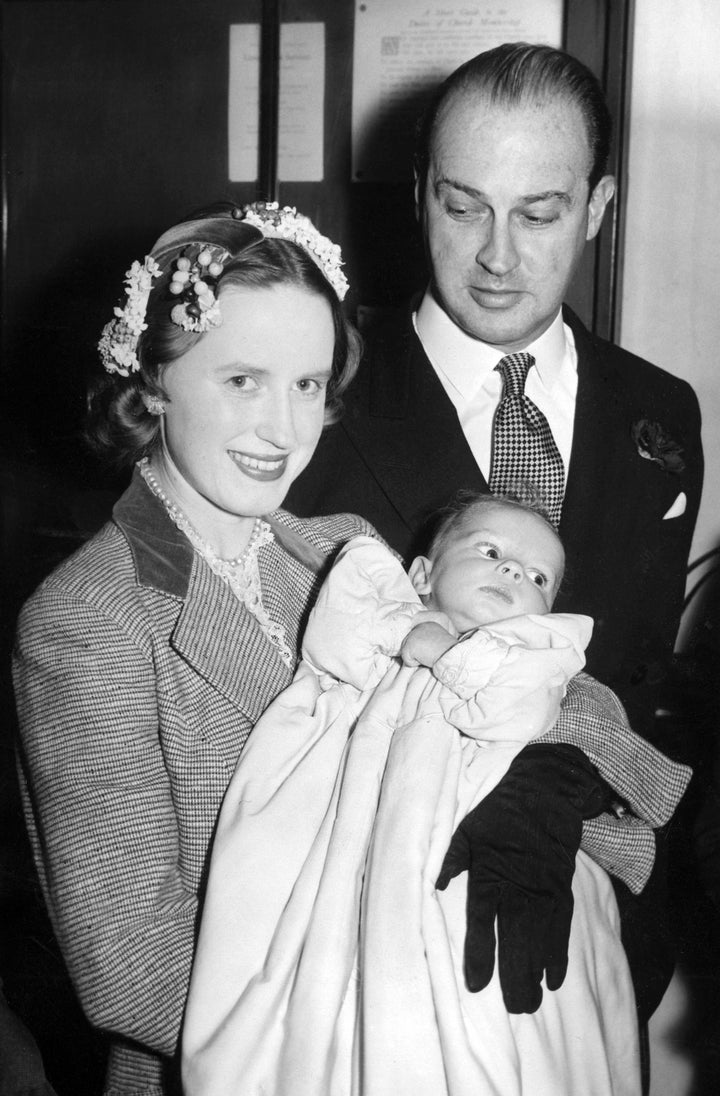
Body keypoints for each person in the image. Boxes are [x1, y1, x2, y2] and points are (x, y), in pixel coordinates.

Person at [11, 201, 379, 1095]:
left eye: (306, 385)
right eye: (243, 380)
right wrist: (384, 1022)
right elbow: (132, 966)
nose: (284, 430)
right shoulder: (86, 619)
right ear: (153, 384)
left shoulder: (346, 555)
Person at [182, 492, 690, 1096]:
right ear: (421, 573)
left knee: (505, 1005)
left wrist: (461, 661)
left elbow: (528, 708)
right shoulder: (378, 600)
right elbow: (340, 624)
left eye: (537, 578)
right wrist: (417, 634)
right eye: (492, 551)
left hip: (480, 853)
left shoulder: (542, 658)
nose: (512, 573)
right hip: (351, 829)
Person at [286, 41, 703, 746]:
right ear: (421, 195)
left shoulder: (661, 409)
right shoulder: (318, 391)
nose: (497, 257)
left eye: (538, 215)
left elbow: (640, 680)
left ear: (597, 208)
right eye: (464, 207)